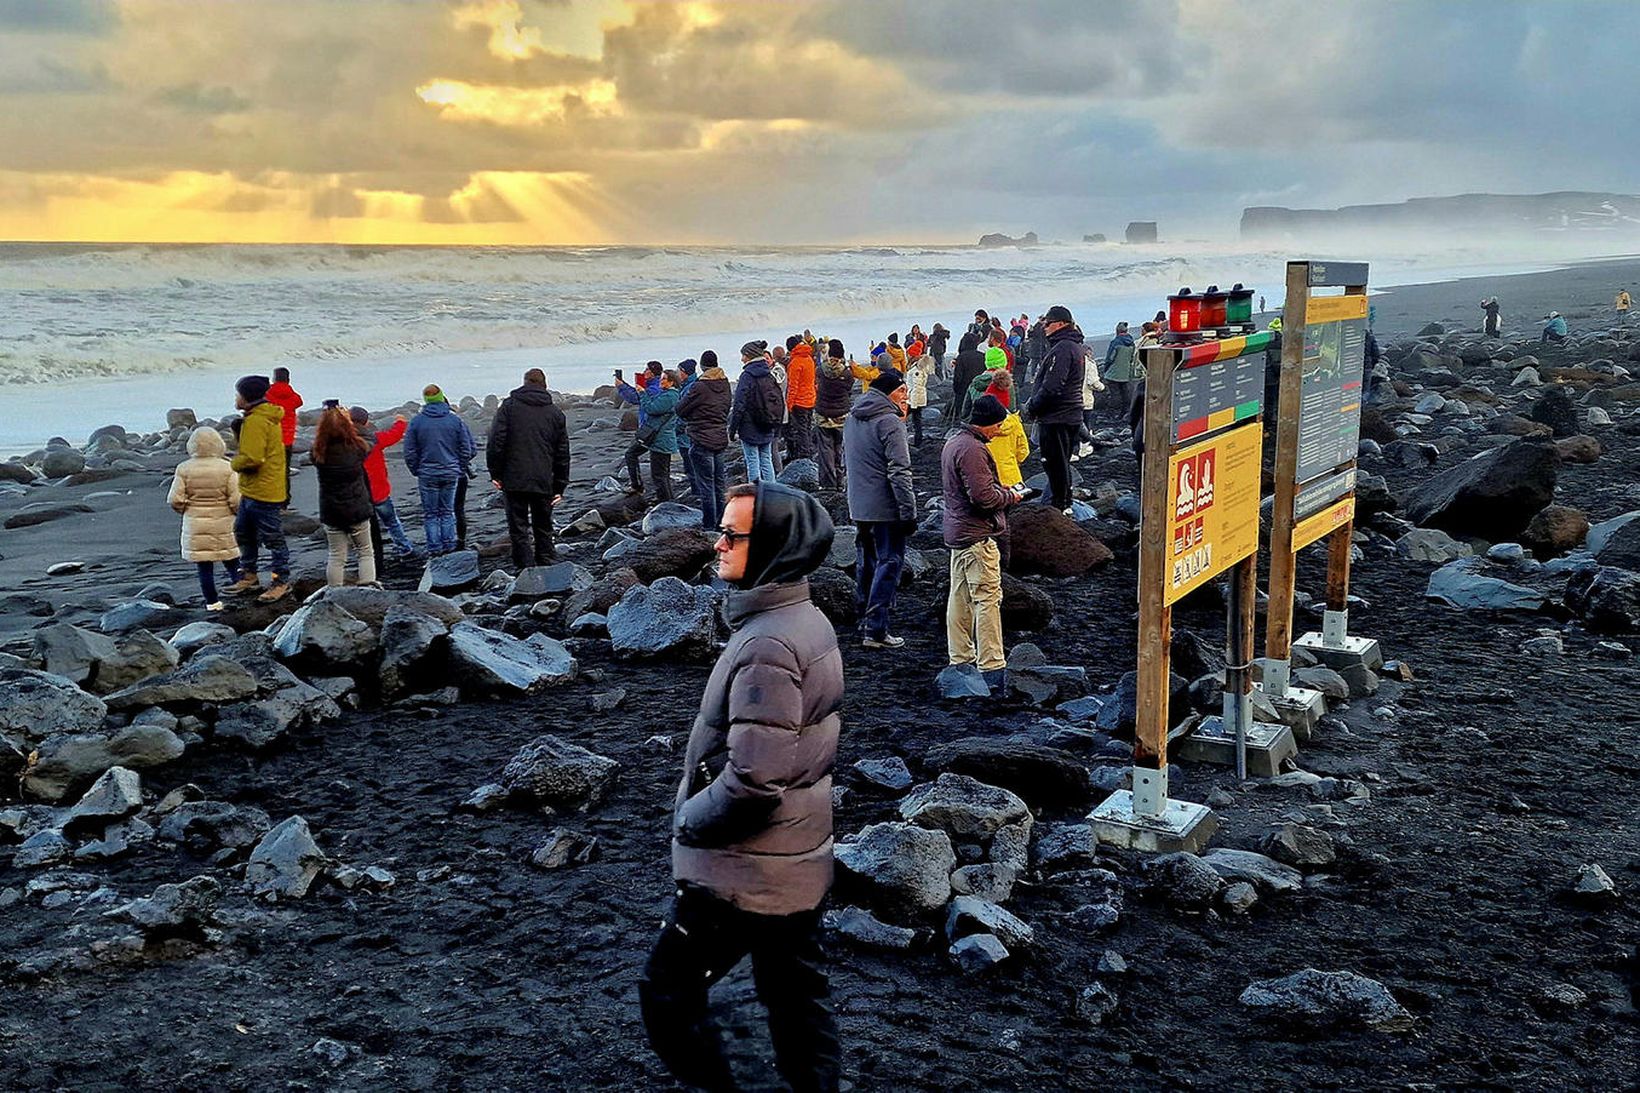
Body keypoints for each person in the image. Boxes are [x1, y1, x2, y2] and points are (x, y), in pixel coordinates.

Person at [640, 480, 842, 1093]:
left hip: (745, 871)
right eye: (720, 530)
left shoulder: (769, 646)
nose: (718, 544)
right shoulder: (801, 619)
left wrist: (689, 819)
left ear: (776, 546)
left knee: (668, 995)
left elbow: (755, 781)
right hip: (795, 859)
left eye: (733, 534)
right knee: (795, 998)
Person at [942, 395, 1019, 691]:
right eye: (997, 424)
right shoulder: (973, 449)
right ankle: (992, 666)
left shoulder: (954, 442)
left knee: (959, 596)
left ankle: (960, 658)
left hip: (959, 533)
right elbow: (983, 497)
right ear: (985, 423)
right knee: (987, 598)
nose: (999, 430)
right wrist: (1011, 496)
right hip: (977, 536)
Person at [844, 369, 917, 649]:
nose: (905, 396)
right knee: (889, 563)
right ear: (888, 393)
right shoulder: (890, 422)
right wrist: (908, 512)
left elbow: (847, 460)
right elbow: (900, 471)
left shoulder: (852, 417)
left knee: (867, 562)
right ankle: (876, 630)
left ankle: (864, 616)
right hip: (885, 507)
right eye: (901, 391)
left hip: (859, 504)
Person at [488, 367, 571, 570]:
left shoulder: (508, 407)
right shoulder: (555, 413)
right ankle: (546, 560)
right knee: (543, 525)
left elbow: (496, 441)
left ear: (525, 382)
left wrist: (495, 473)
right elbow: (562, 452)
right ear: (544, 384)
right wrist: (560, 485)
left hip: (513, 476)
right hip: (544, 477)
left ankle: (525, 567)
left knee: (518, 527)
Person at [225, 374, 293, 603]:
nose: (236, 398)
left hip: (263, 491)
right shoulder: (262, 416)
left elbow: (252, 458)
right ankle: (250, 575)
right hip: (258, 489)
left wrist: (233, 463)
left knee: (272, 538)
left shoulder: (256, 421)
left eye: (238, 394)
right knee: (243, 532)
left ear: (246, 397)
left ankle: (280, 581)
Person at [168, 425, 242, 610]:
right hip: (225, 523)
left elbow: (174, 499)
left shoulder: (183, 468)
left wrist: (187, 510)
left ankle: (212, 603)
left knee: (204, 568)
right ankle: (242, 594)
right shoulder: (228, 468)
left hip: (195, 524)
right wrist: (236, 514)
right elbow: (236, 499)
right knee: (233, 562)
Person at [403, 383, 477, 556]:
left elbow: (410, 451)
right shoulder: (455, 420)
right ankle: (449, 545)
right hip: (450, 471)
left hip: (428, 473)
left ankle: (435, 548)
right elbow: (467, 448)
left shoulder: (417, 422)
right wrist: (459, 466)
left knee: (431, 514)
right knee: (447, 511)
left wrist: (417, 469)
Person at [1025, 305, 1085, 513]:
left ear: (1061, 324)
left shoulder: (1063, 348)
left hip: (1057, 417)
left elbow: (1052, 386)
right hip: (1069, 414)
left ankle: (1060, 507)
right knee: (1061, 464)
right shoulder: (1073, 346)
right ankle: (1064, 504)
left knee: (1055, 465)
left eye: (1048, 323)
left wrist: (1033, 406)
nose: (1045, 327)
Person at [311, 403, 377, 588]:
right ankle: (367, 589)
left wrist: (330, 420)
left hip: (331, 510)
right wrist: (349, 422)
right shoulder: (358, 448)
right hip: (357, 507)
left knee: (336, 555)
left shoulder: (318, 452)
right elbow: (370, 439)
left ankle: (334, 592)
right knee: (365, 552)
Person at [351, 407, 418, 563]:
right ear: (367, 422)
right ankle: (405, 548)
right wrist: (400, 422)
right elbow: (394, 435)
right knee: (392, 522)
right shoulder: (375, 439)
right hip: (379, 492)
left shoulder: (344, 441)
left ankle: (366, 554)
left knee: (361, 528)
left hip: (357, 493)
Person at [676, 350, 732, 529]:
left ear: (702, 366)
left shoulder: (699, 386)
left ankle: (709, 525)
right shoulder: (725, 383)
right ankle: (722, 522)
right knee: (719, 484)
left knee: (706, 486)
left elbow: (680, 409)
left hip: (701, 437)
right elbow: (726, 406)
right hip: (720, 436)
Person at [729, 341, 783, 483]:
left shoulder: (747, 376)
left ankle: (755, 493)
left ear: (749, 356)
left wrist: (732, 429)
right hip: (768, 422)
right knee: (766, 459)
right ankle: (771, 491)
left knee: (752, 460)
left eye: (743, 355)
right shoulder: (769, 374)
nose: (742, 359)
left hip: (750, 425)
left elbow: (739, 404)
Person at [616, 363, 664, 496]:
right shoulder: (654, 385)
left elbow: (636, 398)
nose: (644, 372)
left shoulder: (653, 388)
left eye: (647, 369)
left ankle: (637, 486)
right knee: (658, 466)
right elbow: (638, 394)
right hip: (651, 429)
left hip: (650, 431)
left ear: (652, 372)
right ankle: (641, 487)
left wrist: (621, 387)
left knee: (631, 454)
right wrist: (623, 384)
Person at [814, 339, 854, 489]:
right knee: (840, 449)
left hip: (823, 415)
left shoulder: (820, 370)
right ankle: (840, 480)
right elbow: (848, 390)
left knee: (825, 450)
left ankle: (828, 483)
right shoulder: (847, 374)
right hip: (841, 415)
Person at [267, 366, 303, 509]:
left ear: (274, 378)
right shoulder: (293, 396)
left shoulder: (268, 394)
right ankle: (285, 499)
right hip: (287, 440)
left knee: (271, 470)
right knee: (285, 471)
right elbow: (299, 401)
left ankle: (272, 498)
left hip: (272, 438)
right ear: (288, 379)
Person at [785, 335, 818, 463]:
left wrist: (789, 404)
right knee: (807, 428)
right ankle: (809, 451)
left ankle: (805, 455)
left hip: (800, 401)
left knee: (801, 430)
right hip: (810, 398)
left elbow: (793, 386)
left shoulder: (795, 362)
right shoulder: (809, 358)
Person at [1102, 321, 1140, 428]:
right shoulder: (1131, 343)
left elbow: (1110, 358)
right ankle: (1125, 413)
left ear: (1117, 331)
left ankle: (1111, 414)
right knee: (1125, 393)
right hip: (1125, 373)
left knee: (1114, 394)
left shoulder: (1115, 342)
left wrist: (1106, 369)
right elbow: (1132, 358)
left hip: (1113, 373)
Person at [1076, 335, 1107, 459]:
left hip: (1074, 400)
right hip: (1086, 399)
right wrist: (1102, 387)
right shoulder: (1089, 364)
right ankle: (1084, 448)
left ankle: (1073, 450)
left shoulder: (1075, 362)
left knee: (1075, 424)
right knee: (1086, 423)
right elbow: (1093, 382)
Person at [950, 332, 987, 422]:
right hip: (980, 388)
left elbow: (958, 377)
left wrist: (956, 390)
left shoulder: (961, 357)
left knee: (962, 415)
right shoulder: (982, 356)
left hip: (964, 389)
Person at [966, 346, 1009, 415]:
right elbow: (1013, 408)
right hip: (1002, 422)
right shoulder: (1007, 383)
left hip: (978, 420)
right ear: (1004, 362)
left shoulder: (975, 382)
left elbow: (966, 409)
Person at [905, 343, 932, 447]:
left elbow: (917, 386)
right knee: (917, 420)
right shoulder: (918, 367)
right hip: (915, 398)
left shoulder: (917, 369)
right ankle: (918, 440)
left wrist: (914, 403)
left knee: (904, 419)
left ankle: (917, 439)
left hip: (913, 399)